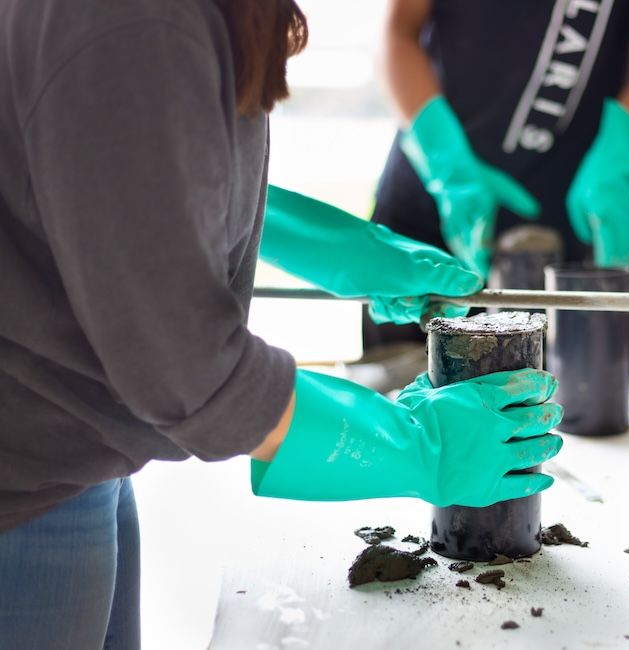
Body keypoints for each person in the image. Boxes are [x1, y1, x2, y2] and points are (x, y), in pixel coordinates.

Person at [0, 1, 563, 648]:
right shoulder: (137, 20)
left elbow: (123, 172)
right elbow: (192, 377)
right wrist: (415, 446)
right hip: (22, 493)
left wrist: (324, 243)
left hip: (78, 449)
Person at [364, 0, 629, 347]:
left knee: (554, 386)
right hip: (429, 210)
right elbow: (397, 34)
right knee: (398, 384)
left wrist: (617, 159)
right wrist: (448, 165)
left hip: (558, 224)